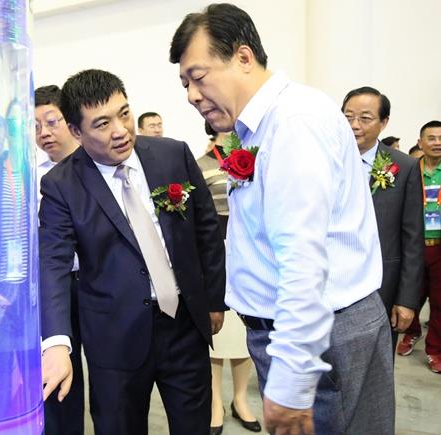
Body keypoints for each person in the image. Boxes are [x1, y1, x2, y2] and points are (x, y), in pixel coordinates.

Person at [170, 4, 394, 434]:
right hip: (304, 334)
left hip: (324, 339)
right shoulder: (261, 126)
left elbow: (303, 256)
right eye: (185, 84)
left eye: (198, 77)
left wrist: (292, 379)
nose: (192, 95)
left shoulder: (294, 123)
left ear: (243, 56)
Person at [39, 69, 226, 435]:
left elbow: (206, 229)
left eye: (124, 114)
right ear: (76, 131)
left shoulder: (173, 154)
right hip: (114, 336)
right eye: (102, 123)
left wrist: (213, 300)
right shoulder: (61, 185)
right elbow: (53, 264)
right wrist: (57, 342)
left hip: (184, 323)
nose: (121, 130)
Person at [342, 87, 424, 353]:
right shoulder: (325, 160)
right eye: (347, 117)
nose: (354, 125)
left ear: (384, 122)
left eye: (365, 118)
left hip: (382, 287)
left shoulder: (404, 167)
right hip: (331, 287)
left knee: (377, 363)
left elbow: (413, 238)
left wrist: (407, 300)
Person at [198, 121, 261, 434]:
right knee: (218, 332)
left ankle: (240, 398)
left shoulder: (255, 155)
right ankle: (215, 402)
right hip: (216, 253)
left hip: (250, 251)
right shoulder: (201, 164)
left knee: (244, 329)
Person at [34, 84, 84, 435]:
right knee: (58, 373)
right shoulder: (28, 173)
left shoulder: (96, 165)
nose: (44, 133)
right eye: (35, 126)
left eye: (52, 122)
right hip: (53, 287)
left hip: (96, 284)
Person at [397, 120, 441, 374]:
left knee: (439, 301)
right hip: (412, 245)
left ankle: (434, 349)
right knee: (409, 294)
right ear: (420, 142)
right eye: (432, 138)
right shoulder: (410, 169)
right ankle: (411, 332)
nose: (437, 143)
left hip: (438, 247)